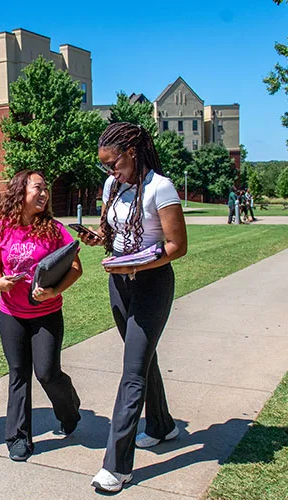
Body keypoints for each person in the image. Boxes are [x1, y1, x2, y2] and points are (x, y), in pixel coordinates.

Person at [78, 122, 188, 493]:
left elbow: (177, 246)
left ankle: (117, 465)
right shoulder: (113, 186)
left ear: (132, 152)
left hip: (152, 284)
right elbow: (114, 233)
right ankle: (161, 425)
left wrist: (135, 265)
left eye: (114, 163)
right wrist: (99, 240)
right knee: (142, 358)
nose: (110, 172)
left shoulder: (162, 187)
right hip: (119, 283)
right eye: (105, 166)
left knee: (133, 371)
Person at [0, 170, 83, 462]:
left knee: (47, 373)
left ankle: (69, 410)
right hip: (11, 313)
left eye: (45, 189)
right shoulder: (1, 228)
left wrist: (54, 292)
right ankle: (18, 437)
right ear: (20, 192)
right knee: (18, 373)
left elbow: (75, 267)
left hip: (46, 314)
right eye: (37, 188)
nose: (44, 194)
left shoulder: (54, 230)